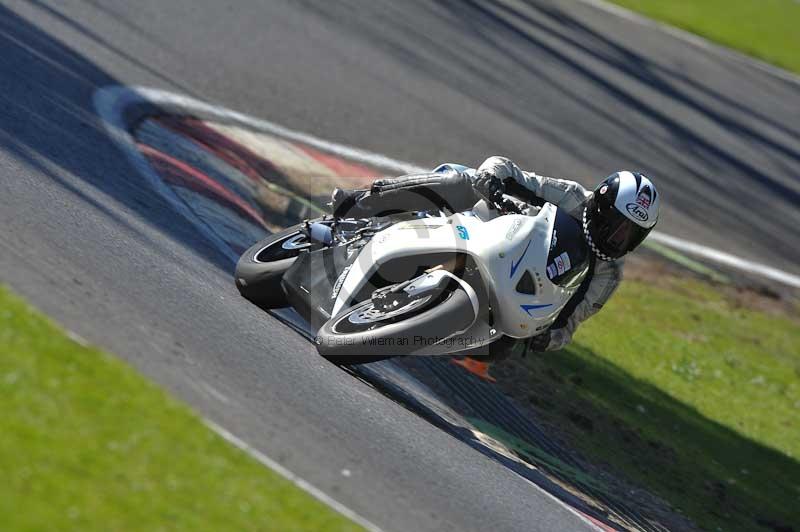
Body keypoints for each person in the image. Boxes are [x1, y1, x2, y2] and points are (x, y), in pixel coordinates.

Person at [331, 156, 660, 378]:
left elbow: (570, 323)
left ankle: (406, 333)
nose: (619, 238)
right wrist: (492, 180)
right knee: (462, 179)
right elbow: (511, 172)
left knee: (500, 347)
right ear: (600, 206)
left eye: (631, 233)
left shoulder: (609, 273)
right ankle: (361, 203)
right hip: (492, 234)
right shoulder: (572, 197)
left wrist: (549, 338)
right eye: (616, 225)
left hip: (516, 295)